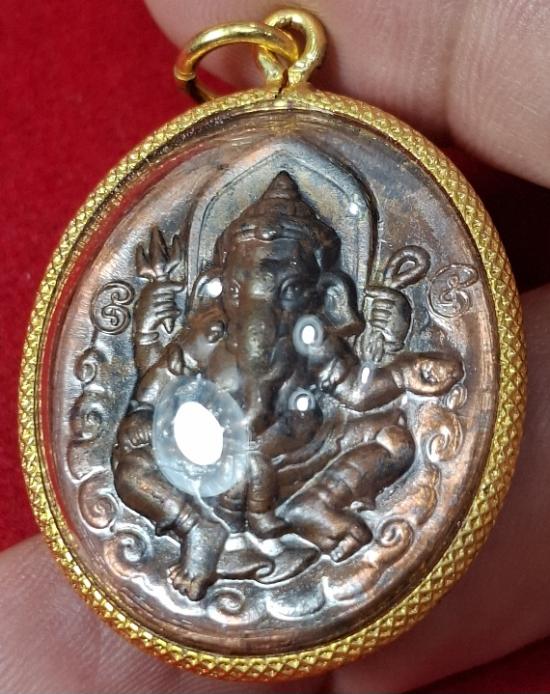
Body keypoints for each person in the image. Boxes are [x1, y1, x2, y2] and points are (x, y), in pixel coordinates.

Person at [2, 1, 550, 692]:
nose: (265, 300)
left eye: (287, 287)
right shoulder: (204, 332)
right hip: (203, 468)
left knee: (393, 441)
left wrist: (408, 364)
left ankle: (314, 509)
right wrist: (149, 331)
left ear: (318, 289)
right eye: (248, 281)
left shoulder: (316, 338)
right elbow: (146, 396)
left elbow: (360, 393)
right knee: (127, 458)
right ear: (221, 283)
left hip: (302, 460)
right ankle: (194, 528)